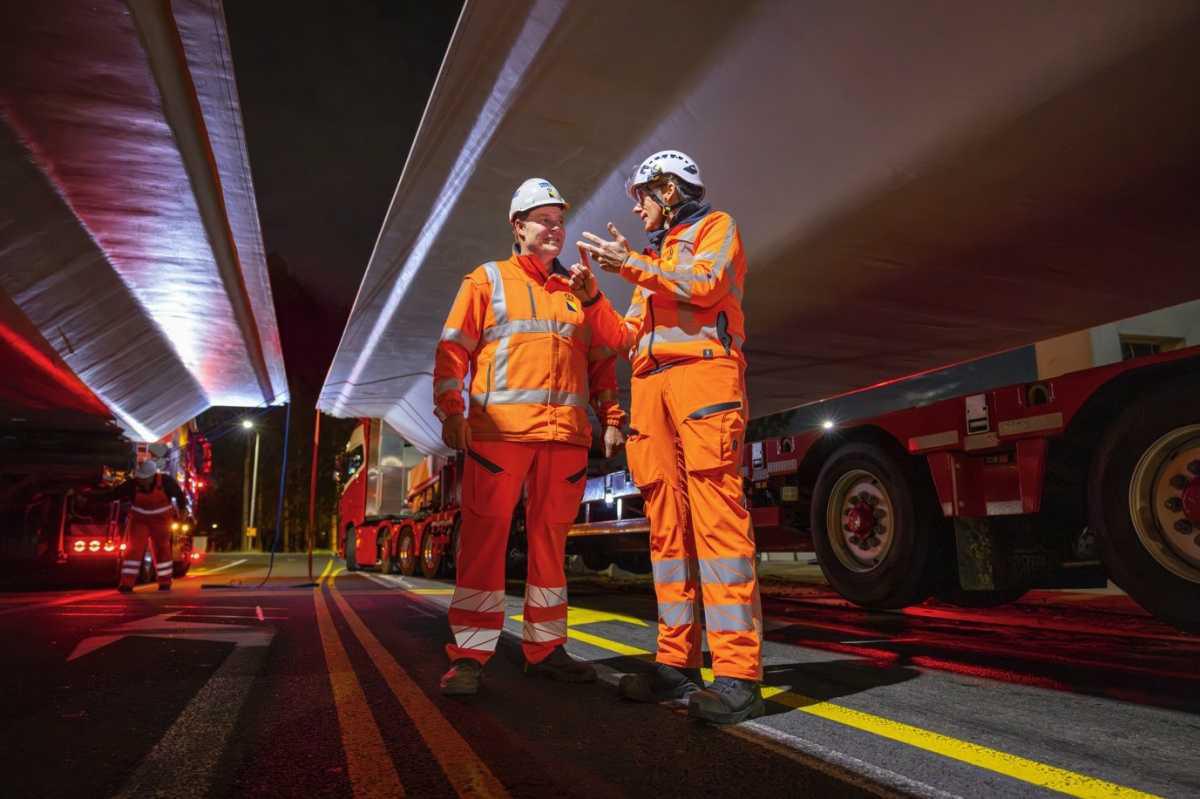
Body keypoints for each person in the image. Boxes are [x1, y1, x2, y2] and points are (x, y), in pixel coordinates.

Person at [572, 150, 763, 724]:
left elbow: (704, 285)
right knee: (667, 536)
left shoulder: (716, 229)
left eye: (642, 195)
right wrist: (591, 298)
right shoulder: (650, 259)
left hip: (704, 383)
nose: (635, 206)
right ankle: (676, 665)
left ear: (671, 190)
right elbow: (628, 336)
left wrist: (631, 263)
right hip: (652, 393)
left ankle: (737, 676)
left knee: (718, 529)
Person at [433, 178, 626, 696]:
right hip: (499, 437)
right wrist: (452, 409)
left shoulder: (577, 293)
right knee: (484, 541)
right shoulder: (487, 281)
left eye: (559, 221)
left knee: (550, 547)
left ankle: (546, 650)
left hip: (563, 441)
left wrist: (611, 416)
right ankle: (470, 656)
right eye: (544, 219)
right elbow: (453, 350)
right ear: (518, 226)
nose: (554, 229)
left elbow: (604, 360)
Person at [115, 459, 188, 592]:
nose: (141, 481)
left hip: (161, 521)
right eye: (140, 478)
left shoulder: (166, 482)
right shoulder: (132, 485)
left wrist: (182, 511)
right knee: (133, 550)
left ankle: (165, 582)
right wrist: (89, 497)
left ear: (152, 476)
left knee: (162, 550)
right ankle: (126, 583)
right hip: (139, 521)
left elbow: (179, 495)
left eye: (144, 478)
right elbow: (112, 495)